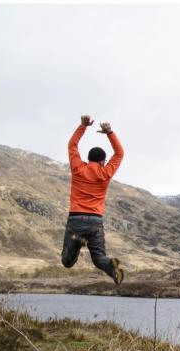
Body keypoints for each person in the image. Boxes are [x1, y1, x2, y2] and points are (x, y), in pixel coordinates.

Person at [60, 115, 125, 285]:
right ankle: (111, 267)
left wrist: (83, 126)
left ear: (88, 159)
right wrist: (109, 132)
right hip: (95, 222)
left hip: (75, 219)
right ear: (103, 161)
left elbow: (72, 145)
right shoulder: (105, 173)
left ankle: (77, 241)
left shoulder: (78, 168)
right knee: (98, 259)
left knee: (67, 262)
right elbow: (119, 153)